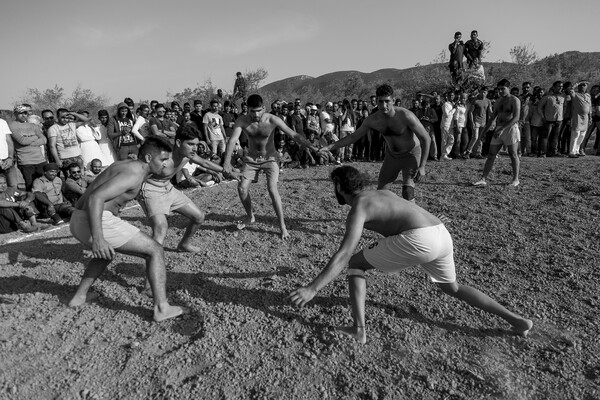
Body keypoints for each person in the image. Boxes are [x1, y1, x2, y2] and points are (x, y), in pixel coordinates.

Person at [288, 166, 533, 344]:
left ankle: (358, 329)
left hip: (420, 238)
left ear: (339, 188)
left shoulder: (359, 207)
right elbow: (411, 211)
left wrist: (313, 288)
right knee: (453, 288)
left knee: (355, 264)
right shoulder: (384, 193)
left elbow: (344, 254)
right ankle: (516, 320)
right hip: (440, 232)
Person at [68, 137, 186, 322]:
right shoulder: (134, 173)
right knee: (155, 250)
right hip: (95, 219)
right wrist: (98, 238)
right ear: (148, 158)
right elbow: (96, 198)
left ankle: (79, 297)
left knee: (106, 254)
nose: (165, 165)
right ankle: (162, 308)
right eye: (162, 160)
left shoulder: (126, 165)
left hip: (79, 218)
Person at [222, 94, 320, 239]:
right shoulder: (242, 121)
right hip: (251, 159)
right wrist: (226, 162)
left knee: (272, 189)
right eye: (252, 111)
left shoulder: (272, 119)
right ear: (247, 109)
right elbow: (232, 140)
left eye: (259, 110)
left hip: (270, 158)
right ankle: (250, 216)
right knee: (242, 188)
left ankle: (282, 226)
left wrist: (313, 148)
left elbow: (293, 134)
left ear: (264, 108)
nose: (256, 114)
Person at [323, 84, 430, 202]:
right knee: (381, 192)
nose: (384, 105)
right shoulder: (373, 120)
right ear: (376, 101)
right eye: (380, 102)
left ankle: (413, 217)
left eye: (387, 101)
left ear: (393, 100)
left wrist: (422, 166)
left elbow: (426, 138)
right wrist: (329, 147)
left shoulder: (406, 116)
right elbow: (353, 137)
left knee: (407, 190)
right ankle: (383, 217)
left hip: (411, 154)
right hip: (392, 156)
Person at [138, 124, 233, 253]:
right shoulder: (162, 157)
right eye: (190, 144)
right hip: (151, 190)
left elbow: (204, 162)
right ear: (178, 142)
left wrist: (227, 171)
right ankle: (152, 264)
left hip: (169, 189)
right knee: (161, 228)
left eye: (196, 144)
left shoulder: (188, 155)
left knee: (198, 217)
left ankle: (184, 244)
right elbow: (139, 173)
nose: (195, 148)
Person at [473, 79, 521, 187]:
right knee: (491, 154)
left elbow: (516, 117)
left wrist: (502, 129)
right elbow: (491, 119)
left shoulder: (515, 100)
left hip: (510, 128)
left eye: (502, 89)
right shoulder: (498, 101)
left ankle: (515, 179)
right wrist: (483, 133)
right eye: (498, 89)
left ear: (508, 88)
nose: (500, 91)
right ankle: (483, 178)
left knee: (513, 154)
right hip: (499, 128)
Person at [8, 105, 47, 190]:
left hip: (40, 160)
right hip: (26, 161)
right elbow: (22, 141)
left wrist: (29, 140)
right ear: (15, 114)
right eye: (20, 113)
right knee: (30, 185)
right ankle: (31, 203)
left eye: (25, 113)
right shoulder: (12, 125)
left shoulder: (33, 125)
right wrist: (35, 138)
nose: (23, 115)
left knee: (44, 184)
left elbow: (44, 140)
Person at [47, 109, 89, 176]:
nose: (65, 119)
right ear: (57, 117)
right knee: (70, 179)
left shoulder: (72, 124)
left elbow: (86, 120)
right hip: (65, 158)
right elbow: (52, 145)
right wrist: (57, 159)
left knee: (82, 177)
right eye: (62, 117)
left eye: (66, 117)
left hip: (78, 156)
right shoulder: (53, 129)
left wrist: (74, 114)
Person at [567, 81, 591, 158]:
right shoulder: (575, 94)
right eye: (581, 85)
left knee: (582, 135)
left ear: (586, 87)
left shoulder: (588, 96)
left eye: (584, 85)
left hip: (586, 117)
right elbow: (570, 90)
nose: (582, 86)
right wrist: (577, 83)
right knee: (575, 134)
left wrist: (590, 117)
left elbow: (589, 107)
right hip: (577, 116)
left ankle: (577, 150)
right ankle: (571, 152)